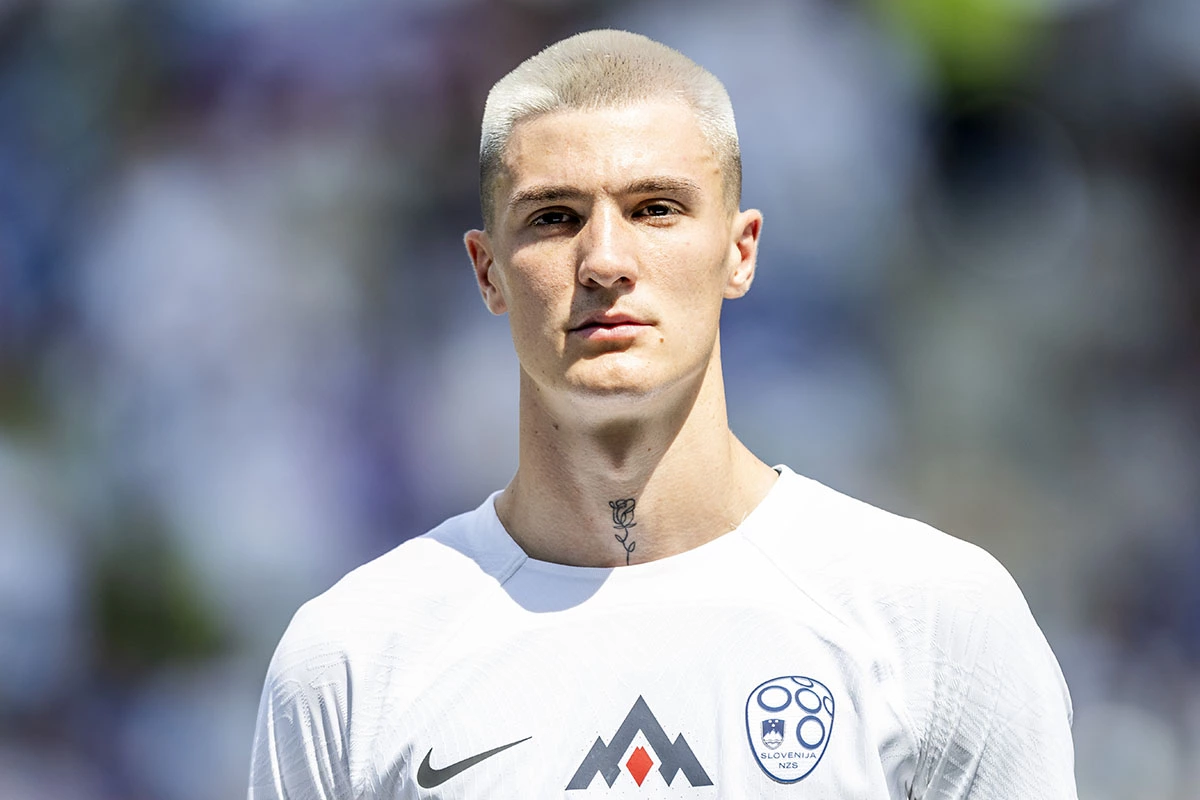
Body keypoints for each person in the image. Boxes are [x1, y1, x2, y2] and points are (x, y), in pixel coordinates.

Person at [248, 29, 1076, 799]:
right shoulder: (355, 658)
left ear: (740, 251)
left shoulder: (932, 623)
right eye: (554, 217)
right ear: (487, 270)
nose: (605, 260)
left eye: (656, 209)